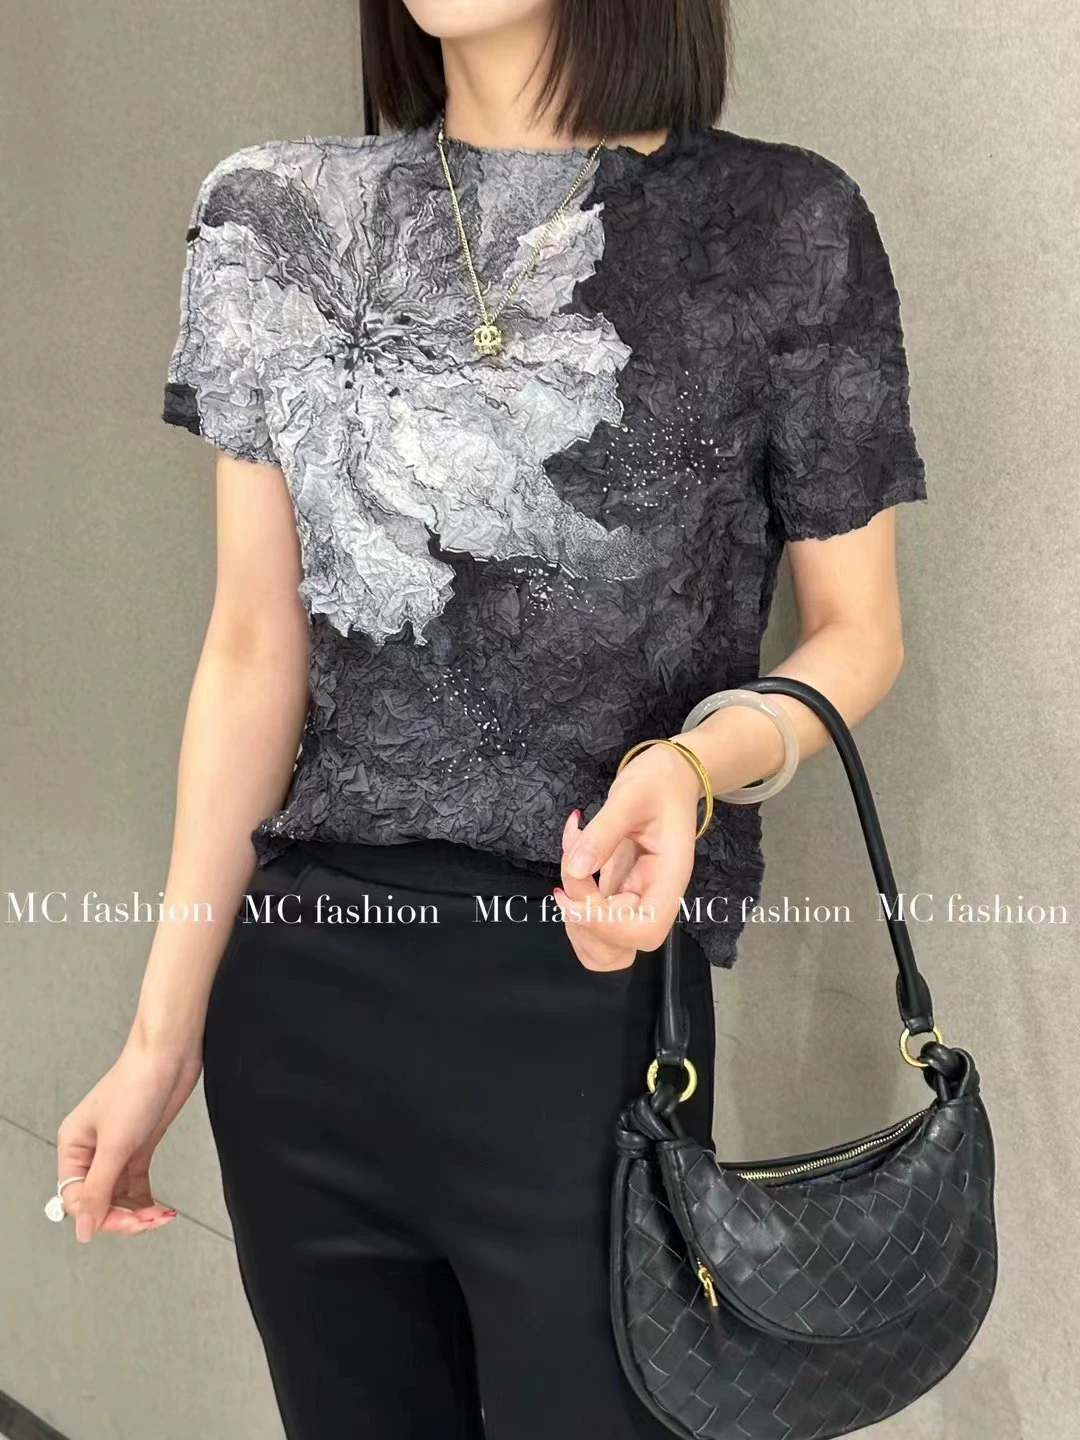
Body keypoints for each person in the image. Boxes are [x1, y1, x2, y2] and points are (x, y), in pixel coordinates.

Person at [51, 1, 928, 1436]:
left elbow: (858, 634)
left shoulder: (784, 226)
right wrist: (161, 1040)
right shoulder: (274, 214)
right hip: (302, 1005)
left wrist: (693, 763)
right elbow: (254, 651)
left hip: (587, 1013)